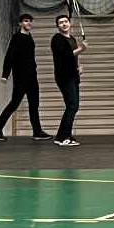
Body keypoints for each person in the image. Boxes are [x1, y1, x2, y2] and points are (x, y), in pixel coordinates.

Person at [0, 14, 49, 141]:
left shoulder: (29, 37)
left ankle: (37, 131)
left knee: (34, 104)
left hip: (32, 76)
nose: (29, 23)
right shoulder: (17, 38)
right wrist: (5, 74)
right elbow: (9, 56)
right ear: (20, 23)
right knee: (14, 103)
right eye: (26, 21)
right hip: (21, 77)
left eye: (30, 21)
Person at [51, 13, 84, 147]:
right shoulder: (57, 39)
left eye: (66, 21)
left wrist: (78, 67)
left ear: (69, 23)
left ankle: (63, 135)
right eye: (61, 22)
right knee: (72, 106)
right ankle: (63, 136)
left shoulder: (72, 39)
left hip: (73, 75)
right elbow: (64, 56)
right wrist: (81, 49)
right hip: (64, 76)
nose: (64, 24)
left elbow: (74, 57)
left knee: (73, 106)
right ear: (58, 26)